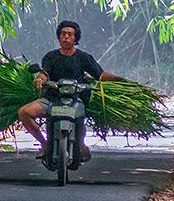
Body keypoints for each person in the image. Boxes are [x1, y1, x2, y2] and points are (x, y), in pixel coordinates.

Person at [18, 20, 127, 162]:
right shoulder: (50, 57)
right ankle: (44, 144)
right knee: (24, 112)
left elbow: (100, 75)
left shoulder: (83, 58)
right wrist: (40, 80)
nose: (66, 37)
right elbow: (44, 73)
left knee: (80, 118)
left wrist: (122, 80)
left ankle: (80, 145)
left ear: (75, 38)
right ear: (59, 37)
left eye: (70, 34)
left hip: (76, 99)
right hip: (52, 99)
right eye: (63, 34)